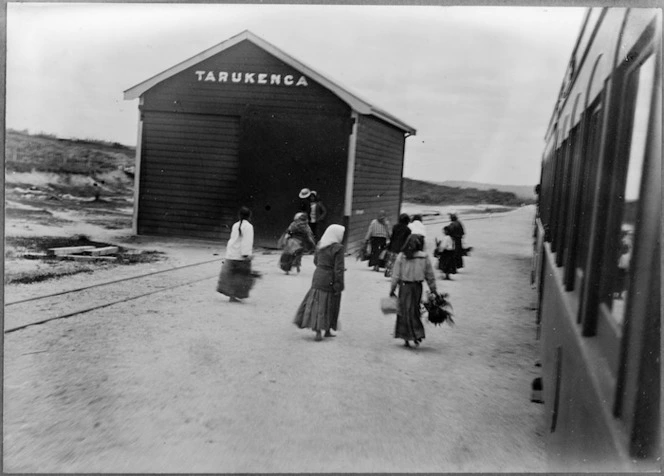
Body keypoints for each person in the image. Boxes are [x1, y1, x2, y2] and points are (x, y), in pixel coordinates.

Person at [294, 224, 345, 341]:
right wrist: (339, 283)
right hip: (330, 278)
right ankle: (327, 329)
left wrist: (323, 266)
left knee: (317, 303)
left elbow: (316, 261)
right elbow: (339, 269)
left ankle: (318, 331)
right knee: (330, 302)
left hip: (318, 275)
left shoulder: (320, 245)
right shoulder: (338, 248)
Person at [389, 234, 437, 348]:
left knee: (405, 311)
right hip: (417, 287)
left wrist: (392, 289)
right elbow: (430, 274)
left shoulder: (402, 256)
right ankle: (416, 333)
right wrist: (433, 289)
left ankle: (406, 336)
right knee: (415, 310)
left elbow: (395, 274)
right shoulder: (424, 257)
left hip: (404, 287)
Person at [217, 206, 255, 303]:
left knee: (231, 275)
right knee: (240, 277)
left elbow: (233, 239)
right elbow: (247, 241)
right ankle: (234, 295)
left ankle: (231, 295)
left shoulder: (235, 225)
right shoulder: (249, 227)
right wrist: (246, 254)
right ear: (249, 216)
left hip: (231, 253)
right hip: (241, 256)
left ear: (239, 216)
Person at [384, 213, 411, 278]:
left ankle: (390, 273)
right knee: (399, 262)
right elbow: (407, 240)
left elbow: (392, 237)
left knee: (392, 260)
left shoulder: (395, 227)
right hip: (401, 248)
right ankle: (397, 275)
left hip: (393, 246)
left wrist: (390, 245)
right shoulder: (408, 230)